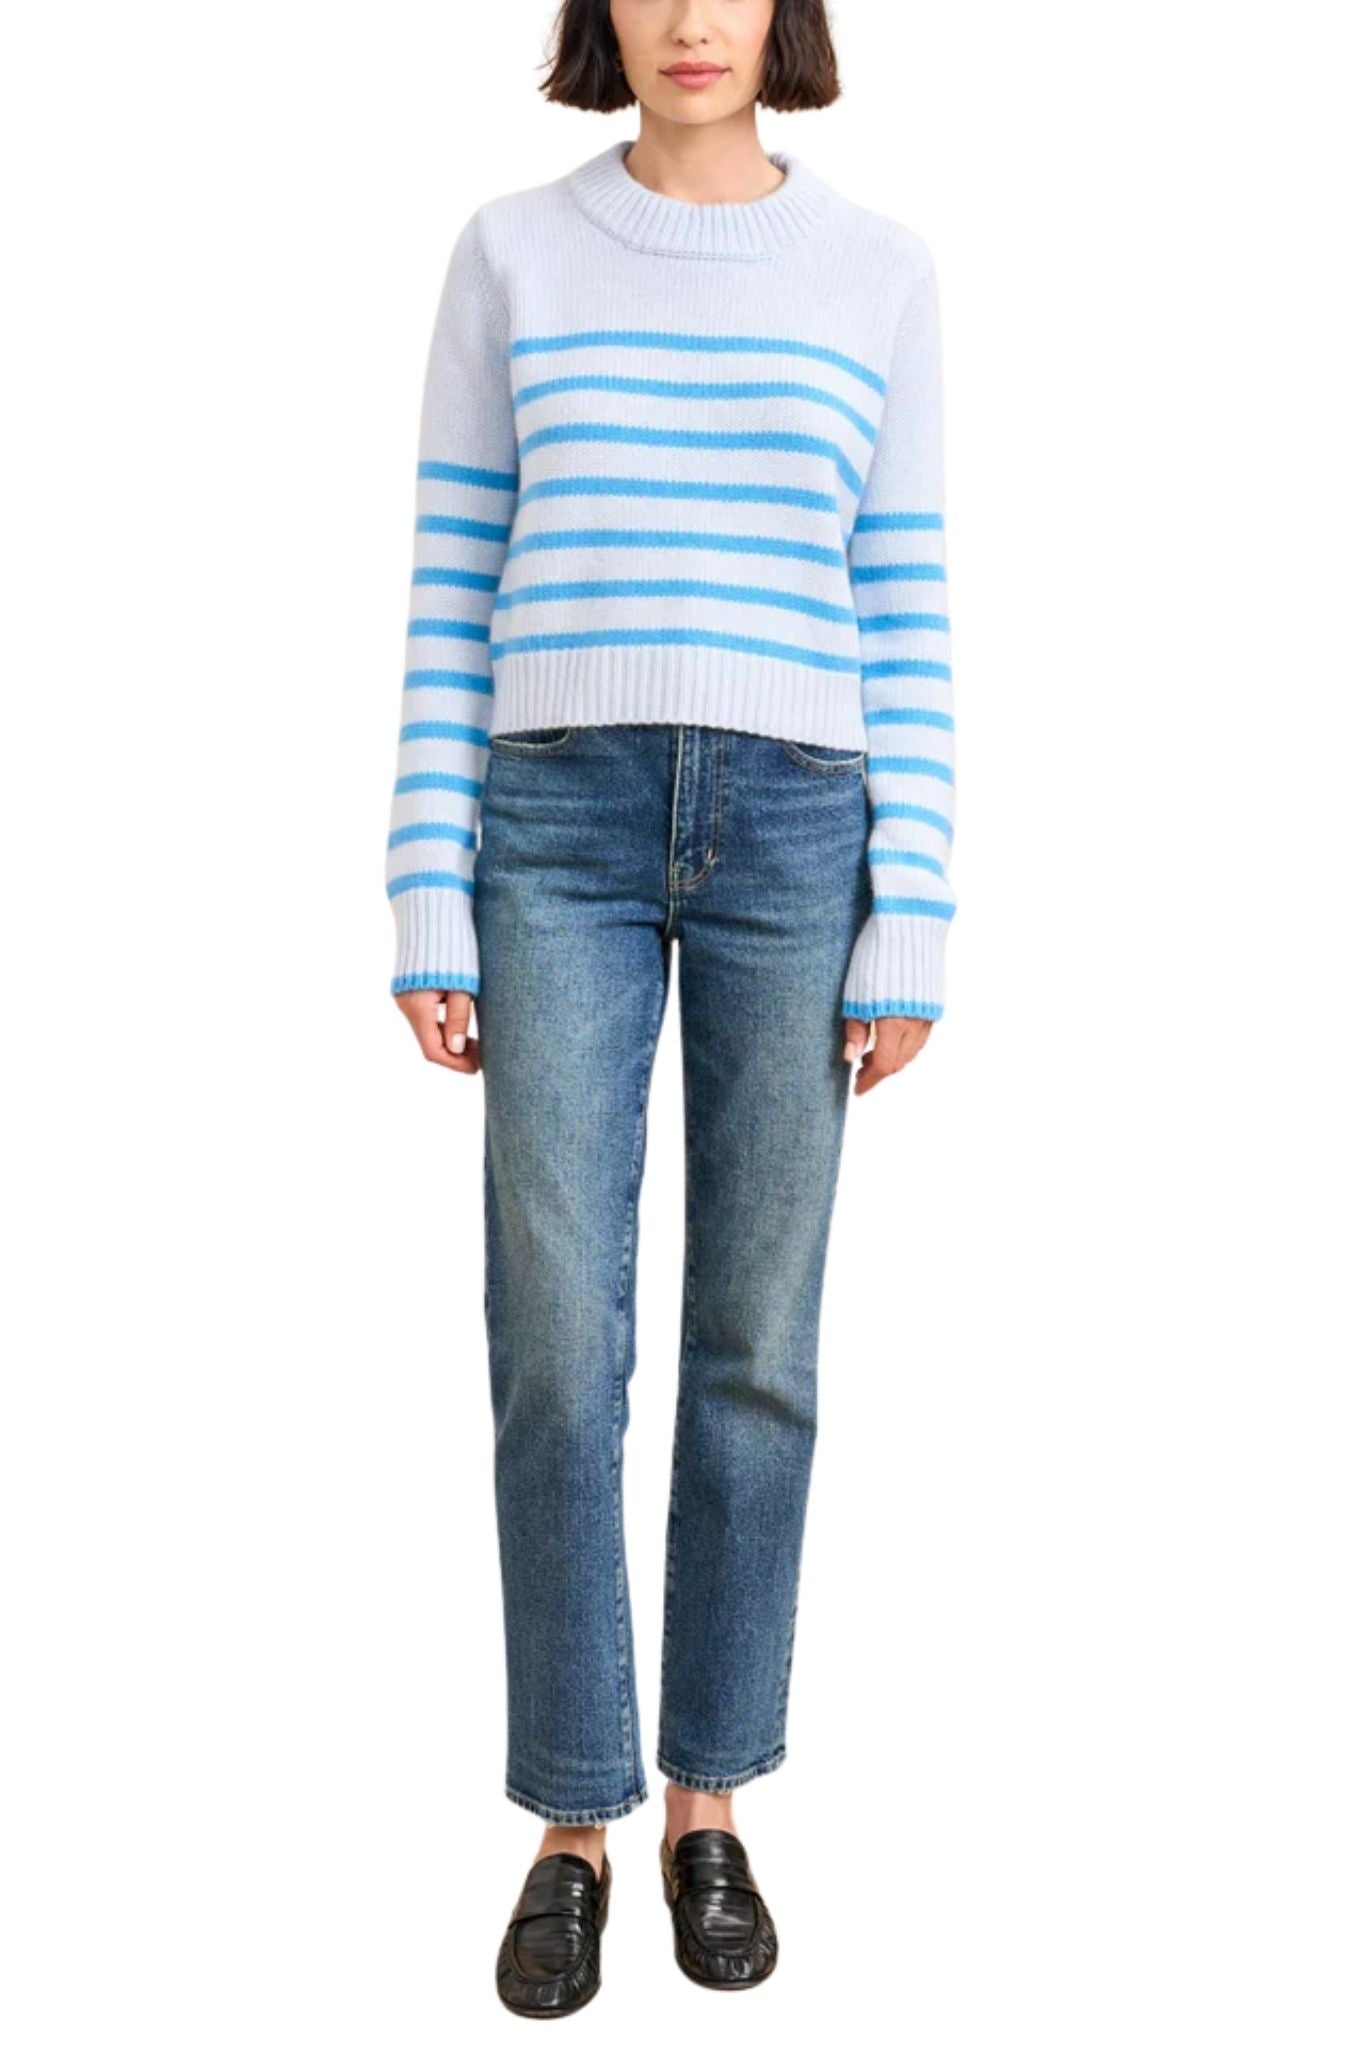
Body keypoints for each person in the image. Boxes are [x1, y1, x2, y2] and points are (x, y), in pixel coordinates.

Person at [384, 0, 956, 2016]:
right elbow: (450, 581)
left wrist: (914, 907)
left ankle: (710, 1798)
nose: (690, 19)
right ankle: (572, 1820)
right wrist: (425, 877)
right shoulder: (509, 251)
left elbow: (905, 602)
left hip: (802, 832)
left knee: (754, 1348)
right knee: (558, 1345)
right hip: (551, 828)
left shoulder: (878, 270)